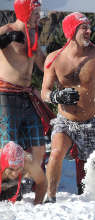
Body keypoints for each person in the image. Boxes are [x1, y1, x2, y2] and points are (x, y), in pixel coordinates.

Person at [41, 12, 95, 202]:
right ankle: (50, 196)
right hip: (65, 120)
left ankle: (94, 198)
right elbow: (44, 92)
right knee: (56, 152)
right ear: (71, 31)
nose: (89, 31)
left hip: (90, 121)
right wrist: (56, 95)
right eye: (83, 28)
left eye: (89, 27)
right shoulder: (54, 59)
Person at [0, 0, 47, 168]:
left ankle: (32, 179)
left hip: (27, 94)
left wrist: (56, 65)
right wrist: (5, 40)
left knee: (37, 142)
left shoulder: (34, 33)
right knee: (8, 143)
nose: (39, 17)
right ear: (25, 12)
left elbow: (41, 62)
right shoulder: (8, 29)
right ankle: (7, 185)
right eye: (35, 13)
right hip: (5, 94)